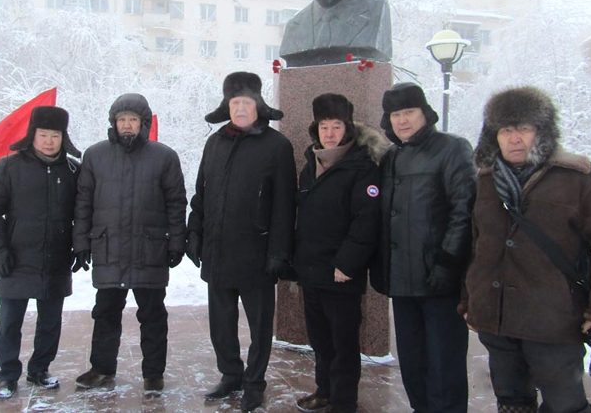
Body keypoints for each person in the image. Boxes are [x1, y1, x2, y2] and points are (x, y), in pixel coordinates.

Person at [461, 86, 591, 413]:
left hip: (554, 323)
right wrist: (470, 302)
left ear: (542, 132)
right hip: (497, 321)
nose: (515, 138)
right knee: (511, 402)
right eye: (505, 130)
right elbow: (477, 246)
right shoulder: (485, 181)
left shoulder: (578, 177)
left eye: (524, 128)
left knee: (565, 405)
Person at [186, 71, 297, 412]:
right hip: (217, 251)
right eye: (235, 103)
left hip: (256, 253)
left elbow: (285, 205)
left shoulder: (277, 146)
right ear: (227, 106)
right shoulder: (215, 143)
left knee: (259, 326)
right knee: (221, 324)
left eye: (247, 102)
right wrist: (195, 232)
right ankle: (231, 374)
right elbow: (201, 193)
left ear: (258, 105)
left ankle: (254, 382)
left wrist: (278, 251)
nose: (241, 109)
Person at [370, 82, 476, 413]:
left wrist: (448, 262)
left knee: (444, 364)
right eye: (395, 114)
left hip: (438, 280)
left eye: (409, 112)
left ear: (425, 113)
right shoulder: (390, 157)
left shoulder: (452, 148)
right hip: (402, 281)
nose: (402, 120)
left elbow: (464, 210)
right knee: (412, 362)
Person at [72, 93, 187, 397]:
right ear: (114, 122)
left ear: (143, 123)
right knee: (105, 312)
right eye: (121, 119)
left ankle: (153, 374)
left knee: (152, 315)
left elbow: (176, 203)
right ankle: (102, 368)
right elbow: (83, 203)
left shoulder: (164, 157)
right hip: (108, 248)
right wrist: (80, 242)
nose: (126, 125)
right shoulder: (95, 155)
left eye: (132, 120)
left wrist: (177, 242)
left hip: (149, 250)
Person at [0, 106, 81, 400]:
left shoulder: (73, 170)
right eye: (43, 135)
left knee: (50, 322)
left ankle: (40, 370)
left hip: (56, 259)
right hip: (16, 258)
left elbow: (83, 212)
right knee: (10, 323)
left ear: (63, 137)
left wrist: (80, 246)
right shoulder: (8, 167)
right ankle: (7, 376)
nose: (49, 141)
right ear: (32, 135)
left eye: (55, 135)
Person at [293, 94, 386, 413]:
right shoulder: (310, 167)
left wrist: (347, 263)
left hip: (341, 273)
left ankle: (344, 401)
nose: (329, 133)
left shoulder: (362, 167)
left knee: (343, 343)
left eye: (336, 126)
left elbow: (366, 220)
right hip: (312, 271)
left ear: (347, 129)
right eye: (324, 126)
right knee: (320, 340)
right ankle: (325, 391)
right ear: (316, 129)